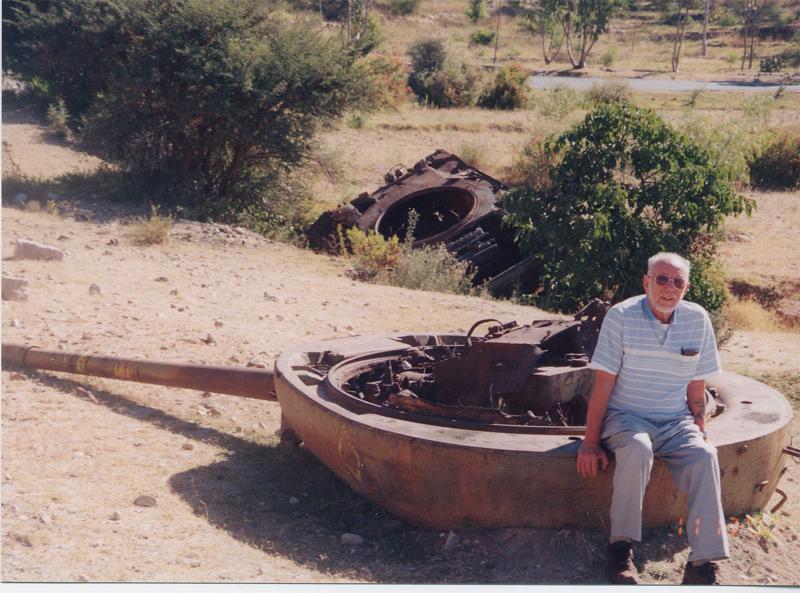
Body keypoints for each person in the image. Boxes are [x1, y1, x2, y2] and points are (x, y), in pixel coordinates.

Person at [577, 252, 729, 585]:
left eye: (678, 282)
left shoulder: (697, 319)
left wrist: (700, 430)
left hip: (675, 421)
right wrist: (589, 443)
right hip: (627, 417)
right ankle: (620, 549)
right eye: (661, 279)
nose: (669, 288)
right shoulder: (621, 316)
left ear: (686, 288)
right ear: (646, 282)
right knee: (637, 449)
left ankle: (702, 563)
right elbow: (603, 384)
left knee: (705, 456)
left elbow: (697, 385)